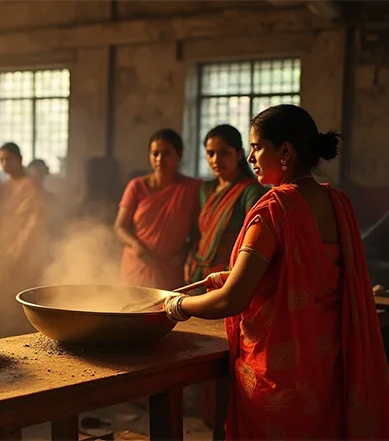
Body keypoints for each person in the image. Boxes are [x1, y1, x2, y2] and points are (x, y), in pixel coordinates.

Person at [164, 104, 389, 439]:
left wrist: (175, 306)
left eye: (256, 148)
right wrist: (238, 275)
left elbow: (231, 301)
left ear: (284, 150)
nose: (251, 158)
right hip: (325, 369)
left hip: (279, 380)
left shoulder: (274, 211)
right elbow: (296, 277)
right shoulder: (338, 204)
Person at [114, 129, 201, 290]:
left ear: (179, 154)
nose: (160, 159)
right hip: (137, 263)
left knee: (165, 311)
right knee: (132, 309)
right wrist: (137, 246)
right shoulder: (137, 186)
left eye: (167, 153)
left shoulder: (191, 189)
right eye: (155, 154)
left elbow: (197, 231)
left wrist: (185, 254)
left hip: (171, 267)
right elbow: (120, 227)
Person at [187, 125, 267, 285]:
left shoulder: (251, 191)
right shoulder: (206, 189)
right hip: (199, 270)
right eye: (210, 154)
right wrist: (189, 258)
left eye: (224, 152)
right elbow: (200, 233)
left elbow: (254, 238)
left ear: (238, 154)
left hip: (229, 274)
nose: (216, 160)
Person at [0, 143, 49, 339]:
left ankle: (27, 334)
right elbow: (0, 218)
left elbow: (33, 220)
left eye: (9, 159)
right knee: (5, 294)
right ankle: (8, 335)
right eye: (1, 160)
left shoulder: (31, 183)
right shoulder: (5, 186)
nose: (5, 164)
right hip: (7, 246)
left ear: (19, 159)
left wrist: (19, 248)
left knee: (24, 293)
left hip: (28, 248)